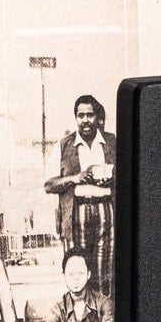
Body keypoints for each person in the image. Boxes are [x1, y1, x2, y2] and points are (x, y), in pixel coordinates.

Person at [44, 93, 116, 288]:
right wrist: (74, 178)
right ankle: (82, 316)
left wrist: (113, 177)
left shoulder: (112, 142)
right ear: (76, 118)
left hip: (106, 211)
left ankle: (105, 315)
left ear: (97, 117)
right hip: (77, 212)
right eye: (80, 115)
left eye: (89, 115)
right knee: (78, 268)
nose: (85, 120)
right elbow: (49, 185)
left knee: (106, 269)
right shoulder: (64, 145)